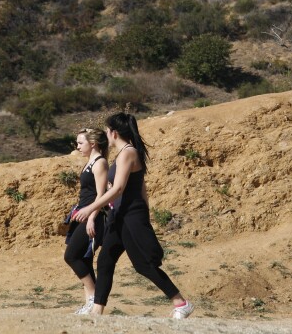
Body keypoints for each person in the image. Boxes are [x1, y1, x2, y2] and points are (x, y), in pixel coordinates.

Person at [73, 112, 194, 319]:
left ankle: (181, 302)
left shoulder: (128, 152)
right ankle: (97, 310)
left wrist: (90, 208)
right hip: (118, 215)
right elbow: (140, 187)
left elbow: (119, 188)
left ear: (114, 132)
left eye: (108, 131)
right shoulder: (122, 155)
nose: (106, 135)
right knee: (105, 260)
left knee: (143, 265)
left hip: (130, 215)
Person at [64, 127, 109, 315]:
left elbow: (101, 195)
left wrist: (91, 218)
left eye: (81, 143)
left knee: (71, 256)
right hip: (82, 215)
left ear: (93, 144)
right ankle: (90, 304)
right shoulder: (89, 162)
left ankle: (93, 296)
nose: (78, 146)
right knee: (84, 258)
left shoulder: (99, 163)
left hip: (93, 217)